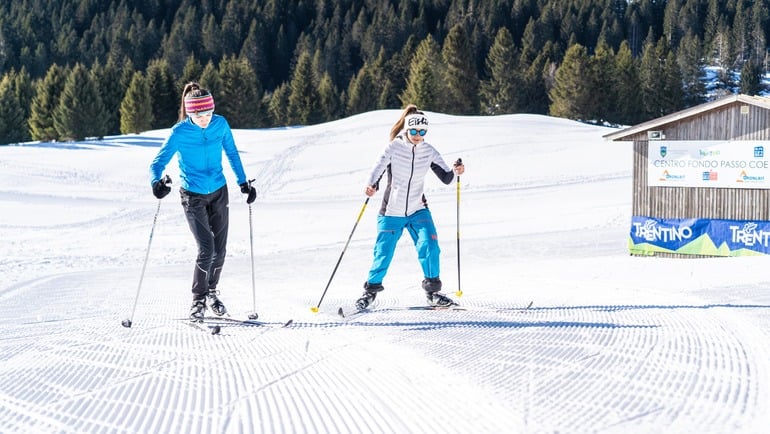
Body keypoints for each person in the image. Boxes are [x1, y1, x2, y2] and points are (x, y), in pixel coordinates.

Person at [149, 81, 257, 321]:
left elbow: (231, 152)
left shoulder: (220, 124)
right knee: (206, 248)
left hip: (219, 191)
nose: (205, 119)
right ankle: (198, 299)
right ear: (190, 113)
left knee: (220, 250)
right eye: (199, 115)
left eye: (208, 113)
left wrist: (243, 183)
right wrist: (156, 183)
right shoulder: (179, 132)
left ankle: (211, 292)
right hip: (192, 195)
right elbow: (156, 163)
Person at [356, 105, 465, 310]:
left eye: (422, 132)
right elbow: (377, 168)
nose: (417, 135)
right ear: (406, 129)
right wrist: (371, 185)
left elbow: (446, 177)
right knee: (383, 252)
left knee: (430, 246)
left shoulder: (428, 150)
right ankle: (369, 292)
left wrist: (456, 170)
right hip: (392, 211)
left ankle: (433, 292)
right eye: (414, 131)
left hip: (418, 209)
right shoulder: (393, 147)